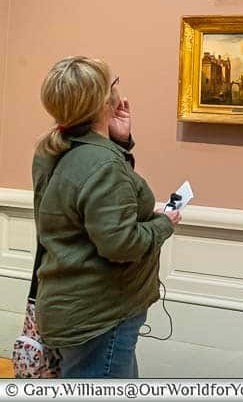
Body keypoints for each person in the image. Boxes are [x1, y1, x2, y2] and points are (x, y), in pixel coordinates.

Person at [32, 57, 180, 378]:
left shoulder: (51, 149)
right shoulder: (102, 163)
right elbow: (120, 245)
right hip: (100, 315)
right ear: (103, 102)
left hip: (70, 306)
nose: (118, 89)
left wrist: (118, 141)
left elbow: (90, 209)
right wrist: (163, 224)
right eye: (113, 84)